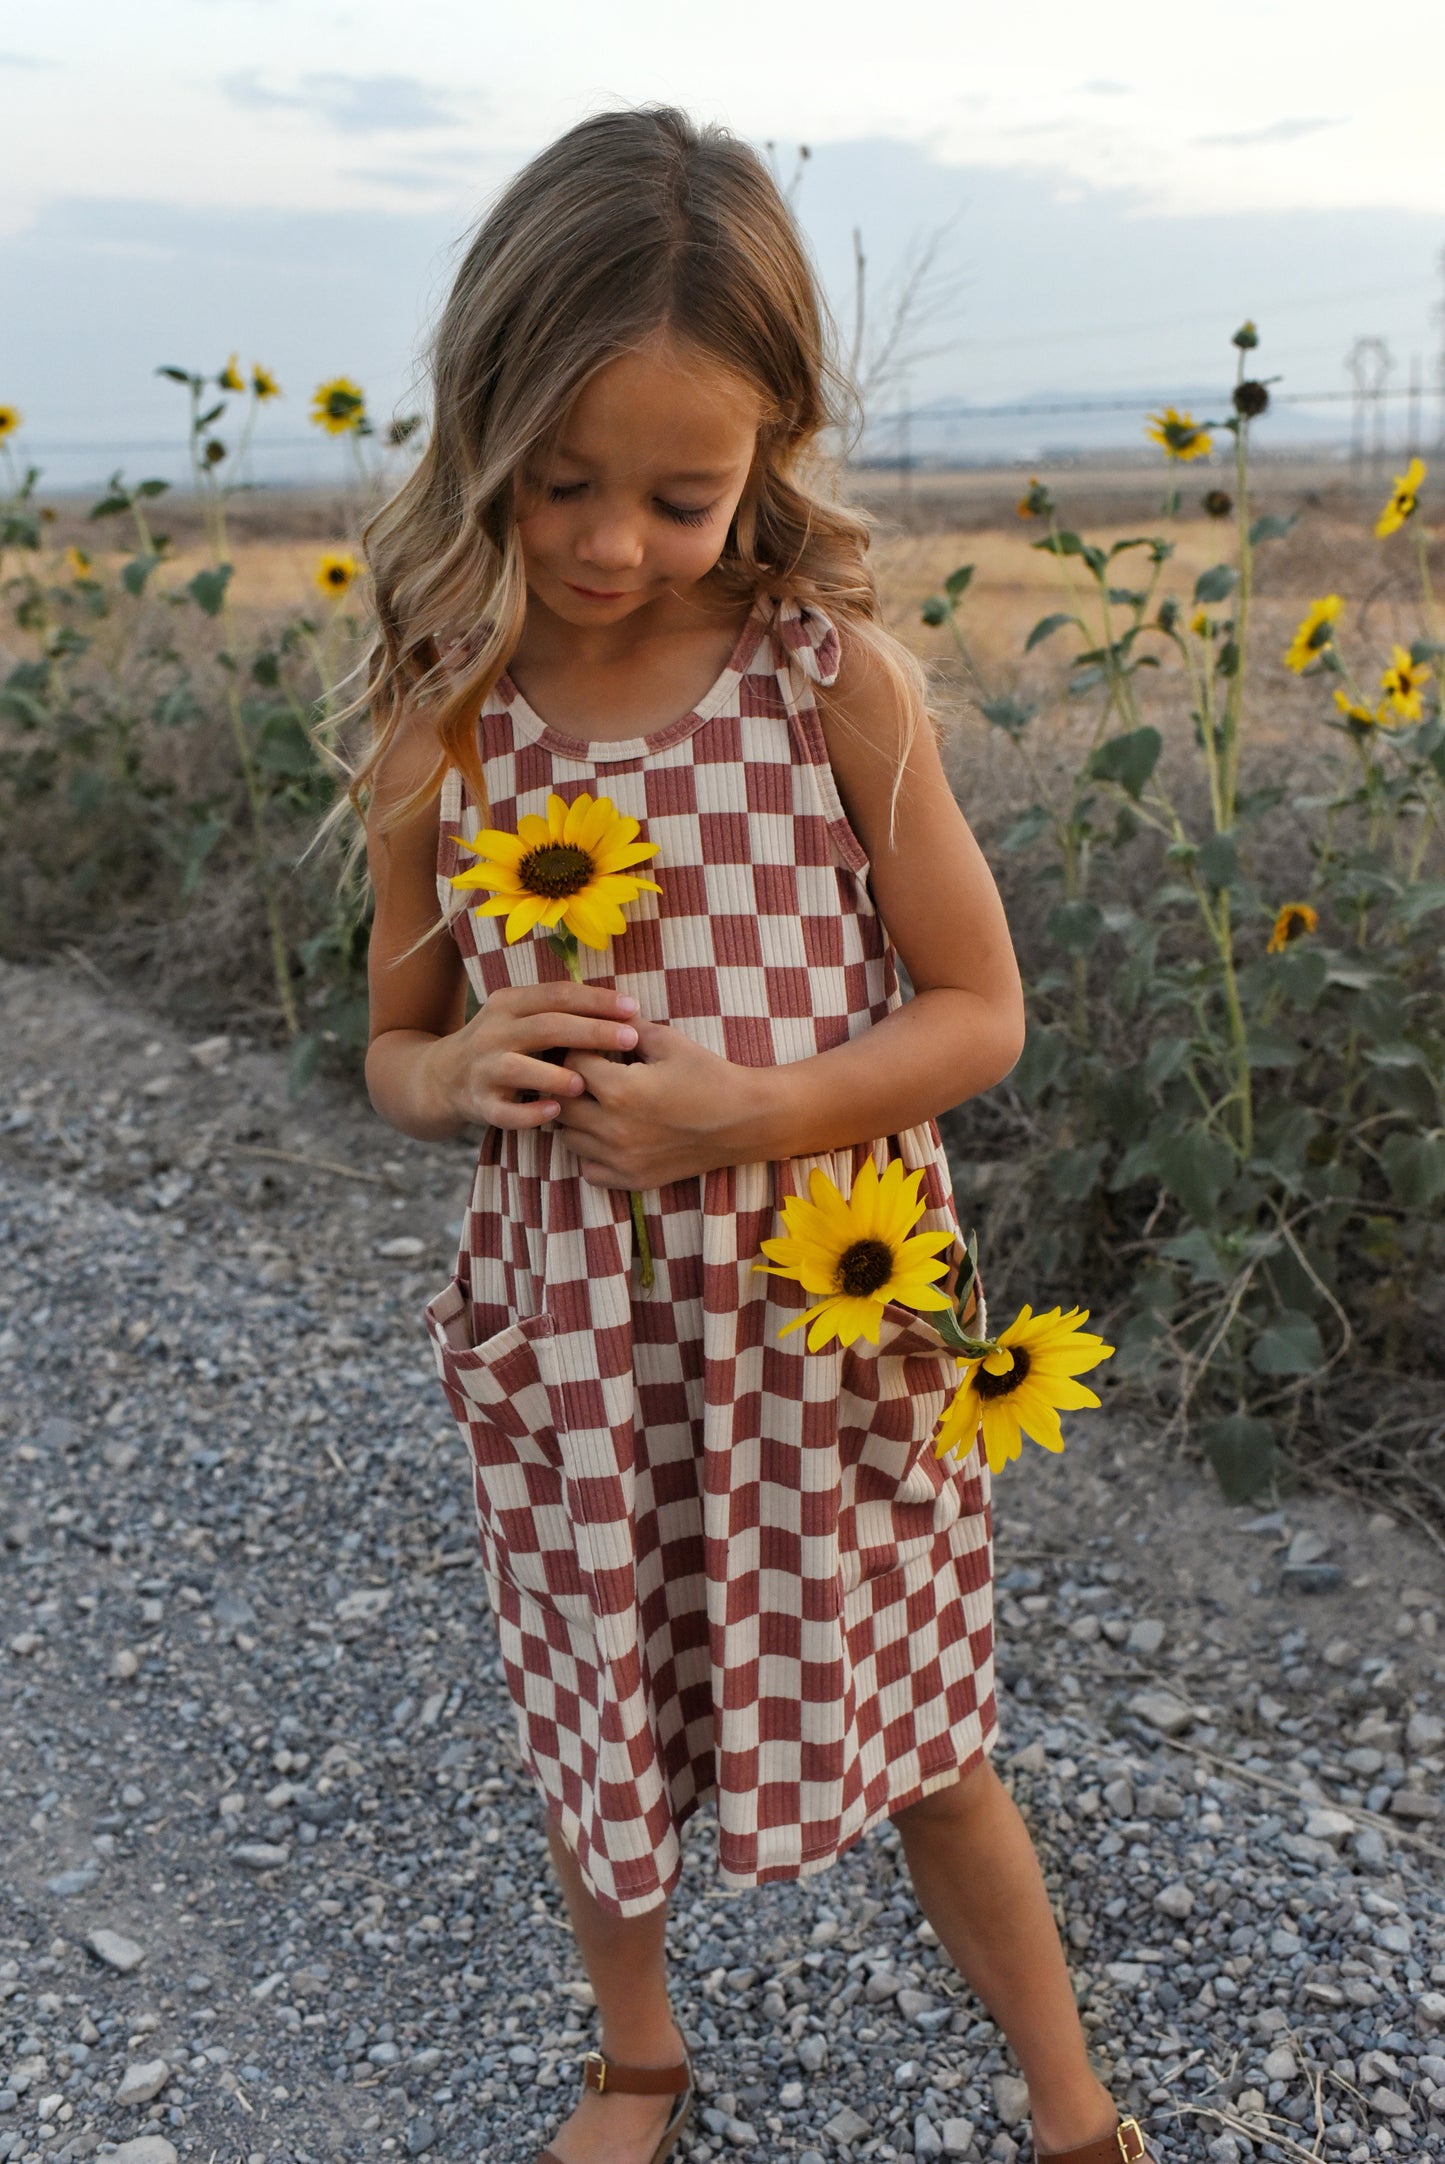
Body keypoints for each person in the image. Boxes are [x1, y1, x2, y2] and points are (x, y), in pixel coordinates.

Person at [355, 104, 1156, 2164]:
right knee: (591, 1731)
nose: (613, 538)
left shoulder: (829, 686)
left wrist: (762, 1109)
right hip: (582, 1342)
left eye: (681, 494)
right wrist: (459, 1078)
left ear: (772, 454)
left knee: (929, 1736)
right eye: (561, 483)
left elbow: (982, 1011)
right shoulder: (447, 715)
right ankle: (640, 2052)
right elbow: (392, 1039)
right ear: (482, 430)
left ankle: (1070, 2100)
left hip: (822, 1334)